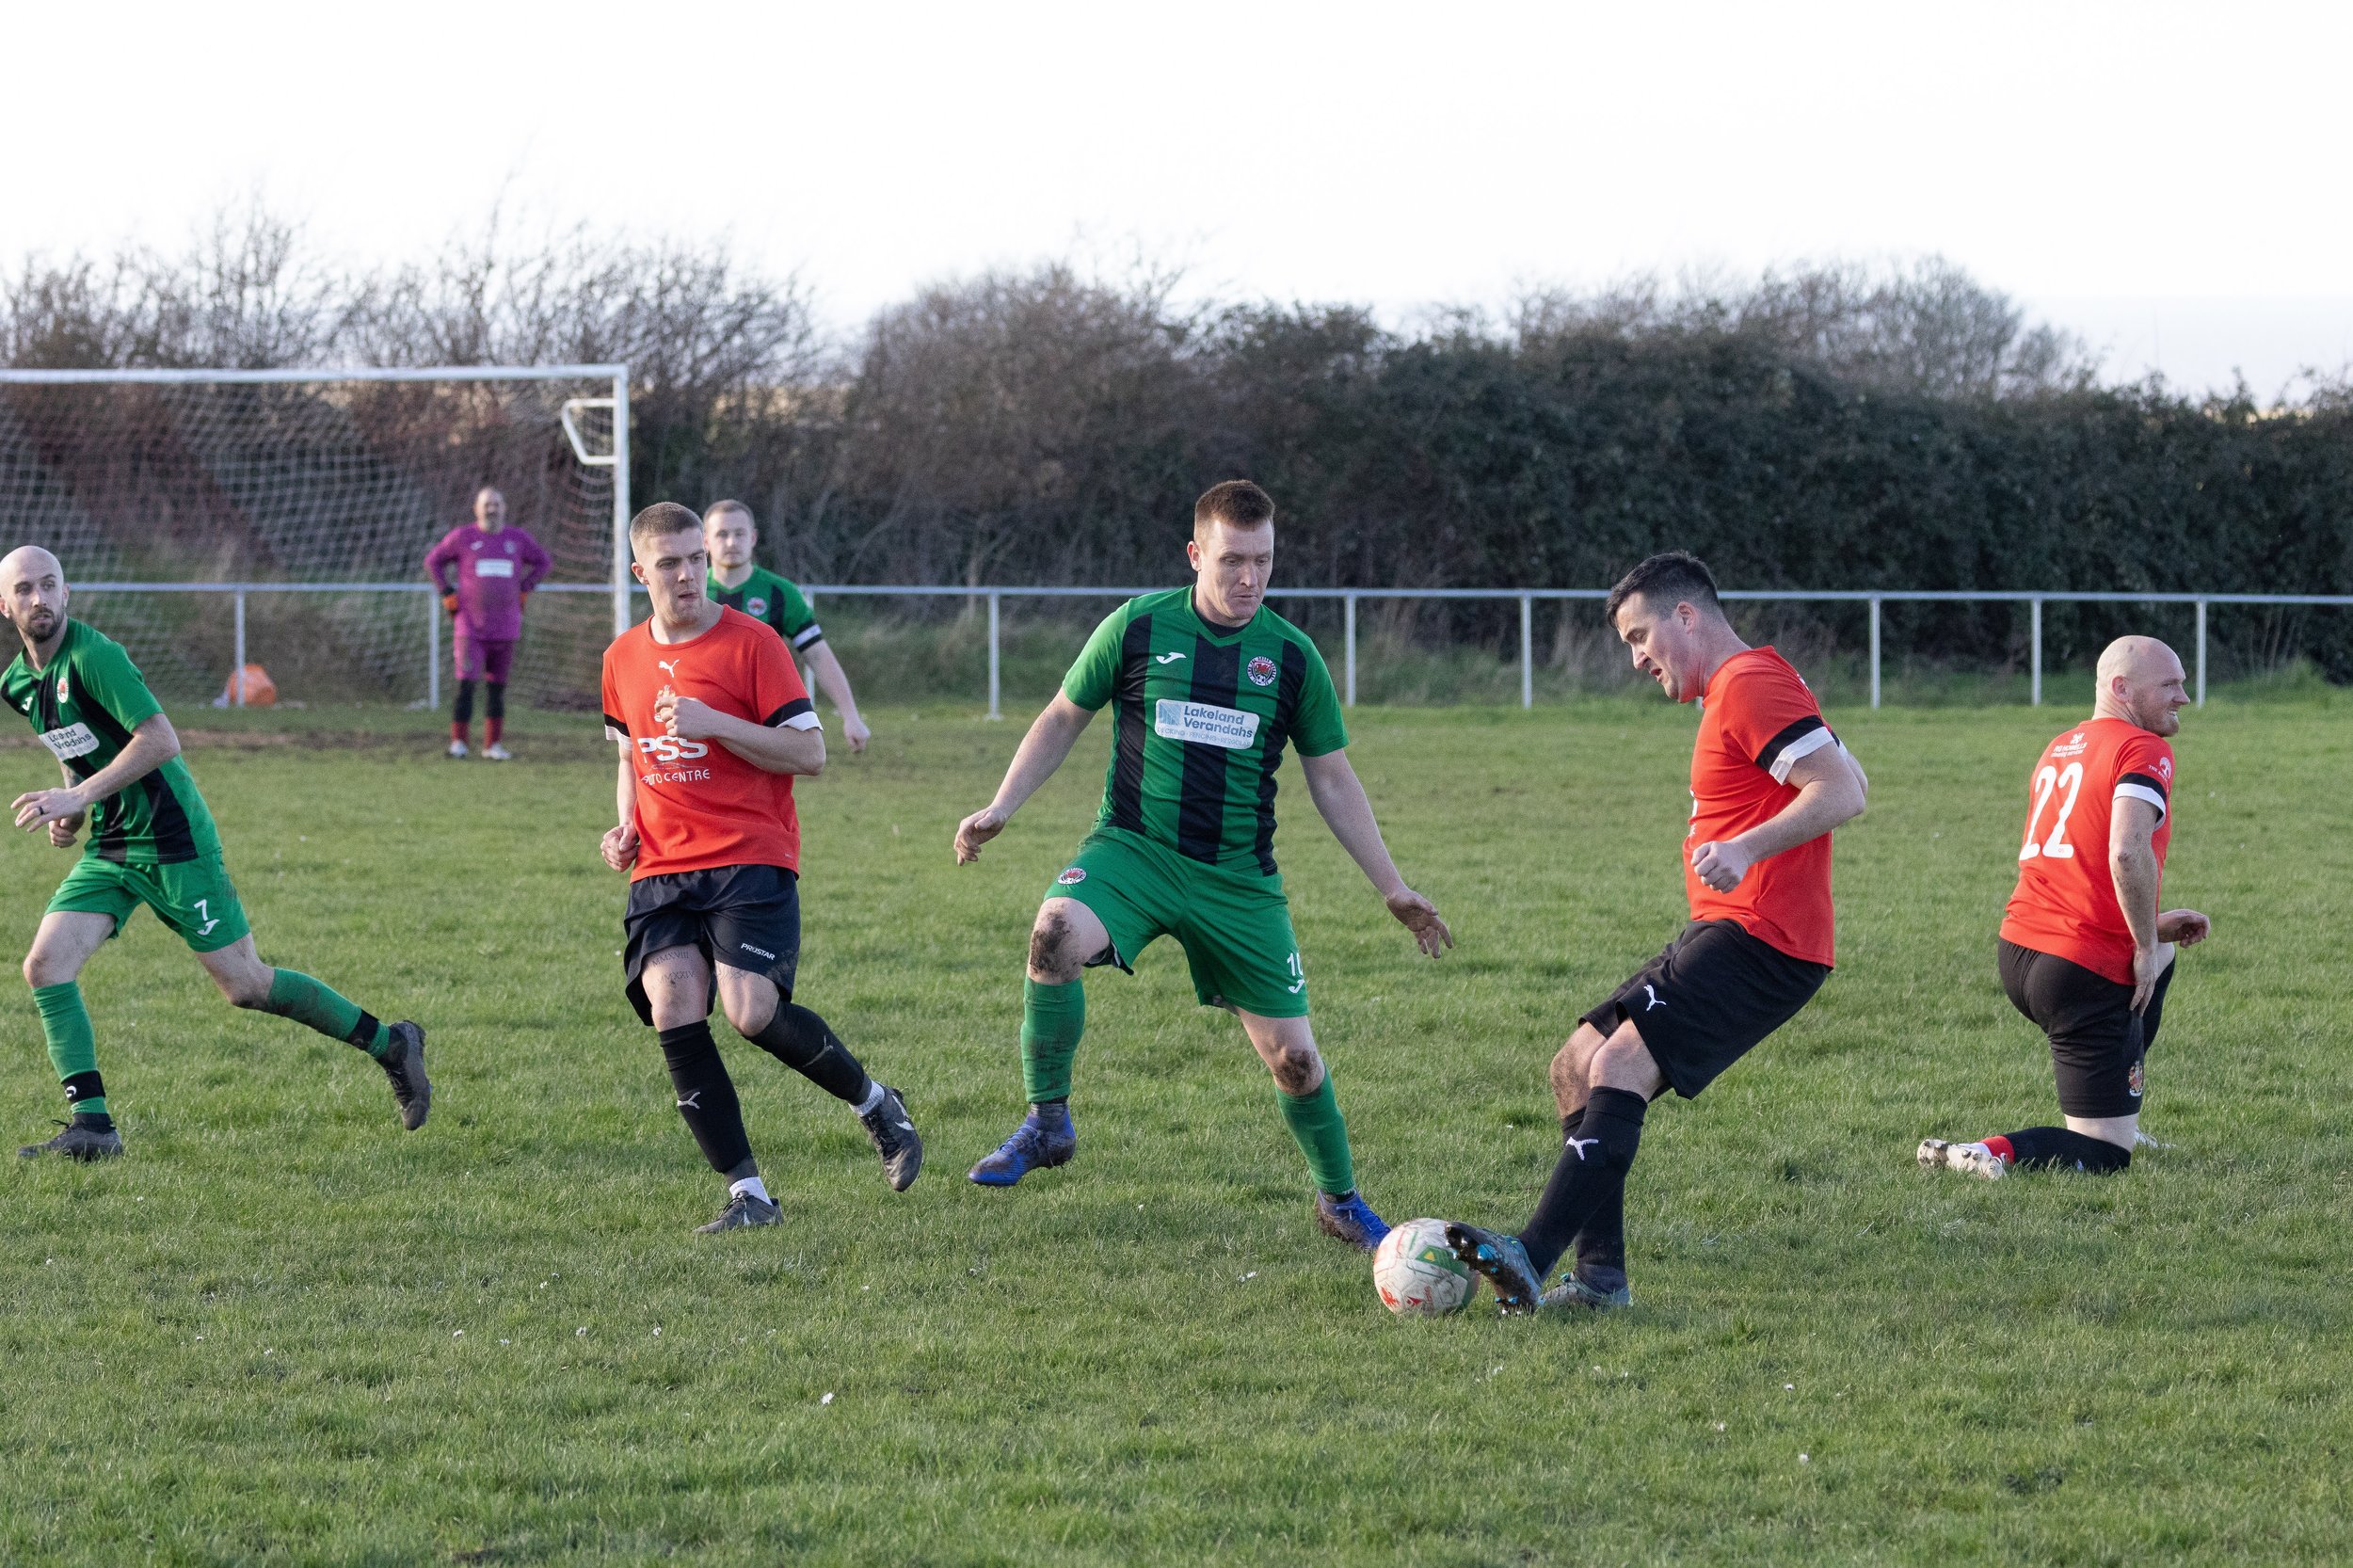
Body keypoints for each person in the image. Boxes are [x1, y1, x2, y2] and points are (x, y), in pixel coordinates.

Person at [952, 479, 1451, 1251]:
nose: (1249, 578)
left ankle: (1339, 1199)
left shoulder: (1291, 657)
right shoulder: (1138, 627)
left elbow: (1332, 776)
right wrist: (1002, 806)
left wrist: (1392, 886)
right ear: (1195, 555)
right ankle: (1047, 1120)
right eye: (1232, 561)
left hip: (1237, 882)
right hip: (1133, 852)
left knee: (1295, 1059)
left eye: (1264, 561)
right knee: (1053, 933)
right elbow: (1061, 717)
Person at [1440, 551, 1868, 1310]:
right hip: (1730, 928)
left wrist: (1745, 846)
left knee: (1621, 1067)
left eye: (1640, 636)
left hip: (1766, 938)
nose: (1638, 659)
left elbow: (1839, 793)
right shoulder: (1750, 683)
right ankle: (1600, 1279)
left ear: (1686, 614)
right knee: (1577, 1063)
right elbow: (1853, 775)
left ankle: (1530, 1258)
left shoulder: (1748, 683)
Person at [3, 546, 429, 1160]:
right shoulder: (18, 683)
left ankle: (392, 1044)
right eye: (24, 589)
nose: (39, 599)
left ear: (67, 593)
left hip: (174, 840)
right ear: (5, 603)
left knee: (247, 985)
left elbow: (160, 739)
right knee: (45, 966)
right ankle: (92, 1127)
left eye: (49, 585)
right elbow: (77, 743)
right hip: (115, 845)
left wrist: (79, 793)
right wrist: (72, 808)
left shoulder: (95, 657)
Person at [600, 503, 920, 1234]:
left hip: (750, 851)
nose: (687, 574)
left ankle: (877, 1105)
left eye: (694, 559)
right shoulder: (621, 658)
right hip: (662, 867)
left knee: (750, 1013)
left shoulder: (754, 643)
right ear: (639, 571)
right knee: (672, 1005)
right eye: (670, 562)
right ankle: (751, 1196)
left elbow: (810, 753)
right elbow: (629, 755)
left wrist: (718, 726)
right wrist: (624, 826)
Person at [1918, 636, 2210, 1178]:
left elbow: (2076, 863)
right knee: (2105, 1157)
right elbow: (2125, 850)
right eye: (2170, 685)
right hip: (2078, 970)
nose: (2184, 698)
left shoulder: (2063, 744)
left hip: (2021, 951)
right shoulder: (2142, 748)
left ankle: (2121, 1101)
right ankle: (1987, 1152)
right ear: (2122, 689)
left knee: (2165, 953)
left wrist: (2154, 929)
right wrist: (2142, 944)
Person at [703, 501, 870, 753]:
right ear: (705, 541)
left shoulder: (781, 592)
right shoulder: (692, 591)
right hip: (705, 717)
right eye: (722, 534)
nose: (731, 542)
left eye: (739, 533)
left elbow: (817, 654)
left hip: (763, 722)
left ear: (753, 538)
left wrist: (851, 716)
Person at [425, 487, 552, 760]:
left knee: (497, 688)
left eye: (495, 504)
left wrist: (526, 587)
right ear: (476, 509)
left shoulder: (516, 540)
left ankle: (492, 745)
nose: (491, 509)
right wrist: (447, 592)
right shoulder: (463, 537)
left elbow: (543, 562)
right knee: (466, 685)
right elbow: (433, 561)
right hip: (470, 629)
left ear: (504, 508)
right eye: (486, 504)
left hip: (506, 628)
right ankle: (459, 743)